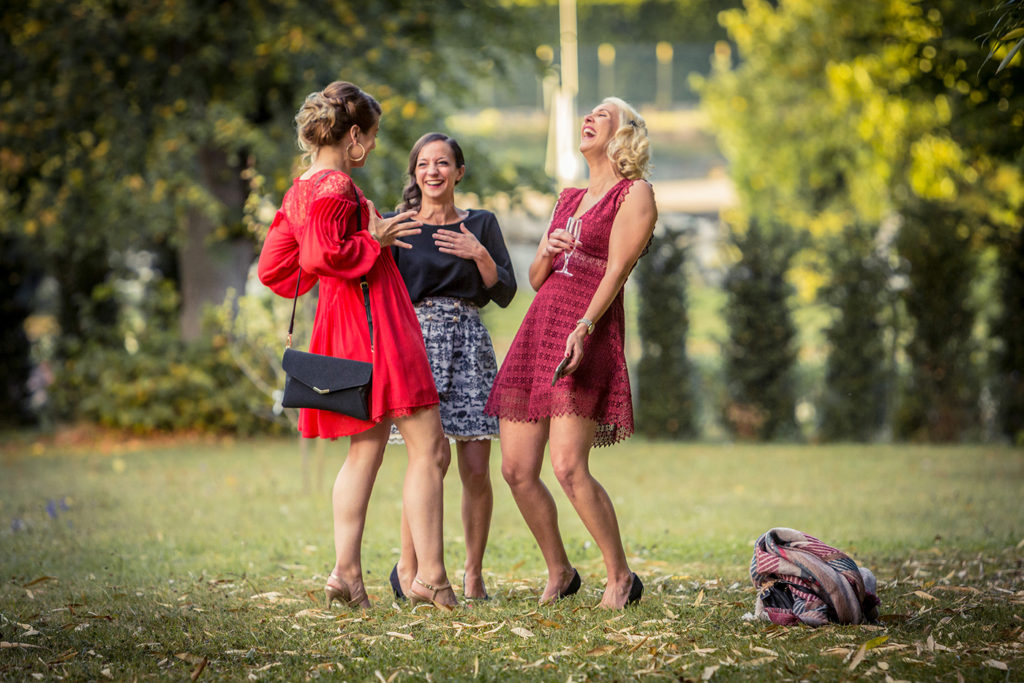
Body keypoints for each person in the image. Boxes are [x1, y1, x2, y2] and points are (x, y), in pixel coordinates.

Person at [257, 81, 458, 610]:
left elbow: (275, 266)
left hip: (341, 322)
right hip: (377, 322)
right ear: (352, 136)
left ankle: (346, 574)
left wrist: (340, 253)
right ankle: (430, 578)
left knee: (365, 450)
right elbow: (321, 255)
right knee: (431, 448)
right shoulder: (337, 187)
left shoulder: (300, 190)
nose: (371, 145)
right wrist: (374, 240)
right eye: (370, 135)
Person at [484, 97, 657, 609]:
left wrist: (584, 327)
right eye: (589, 113)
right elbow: (538, 279)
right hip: (539, 328)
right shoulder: (568, 198)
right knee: (516, 469)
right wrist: (545, 249)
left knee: (567, 466)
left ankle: (620, 577)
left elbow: (616, 270)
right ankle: (560, 571)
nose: (589, 118)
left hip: (586, 329)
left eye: (603, 114)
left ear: (623, 133)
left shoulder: (635, 193)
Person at [387, 133, 516, 601]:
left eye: (442, 163)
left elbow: (505, 293)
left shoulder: (481, 223)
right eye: (424, 164)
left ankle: (473, 573)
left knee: (476, 468)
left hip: (469, 342)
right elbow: (379, 292)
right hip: (416, 345)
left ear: (459, 172)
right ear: (415, 172)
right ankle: (410, 568)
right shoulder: (398, 226)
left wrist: (478, 254)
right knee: (427, 461)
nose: (433, 171)